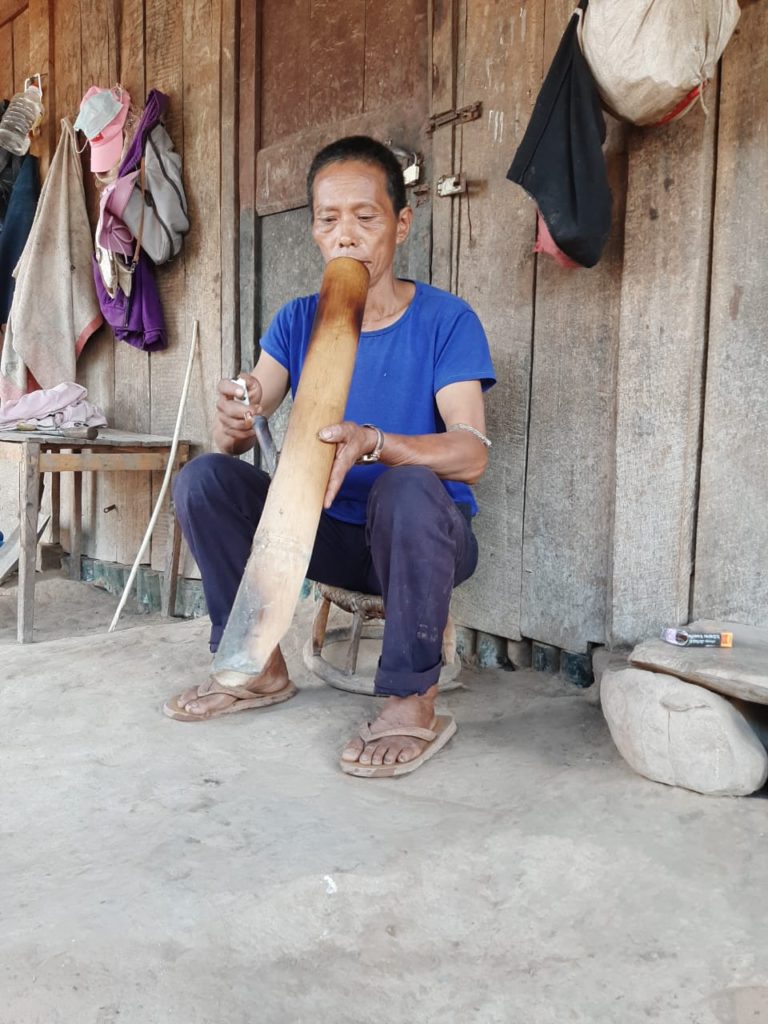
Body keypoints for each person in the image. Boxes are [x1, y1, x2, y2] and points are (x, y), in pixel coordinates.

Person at [164, 135, 496, 777]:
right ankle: (257, 667)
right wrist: (239, 410)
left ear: (400, 224)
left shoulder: (446, 321)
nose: (346, 236)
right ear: (314, 232)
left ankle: (409, 701)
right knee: (204, 480)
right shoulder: (297, 320)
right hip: (323, 534)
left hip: (422, 538)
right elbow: (247, 416)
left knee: (404, 488)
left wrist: (377, 443)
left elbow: (471, 453)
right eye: (328, 219)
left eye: (365, 218)